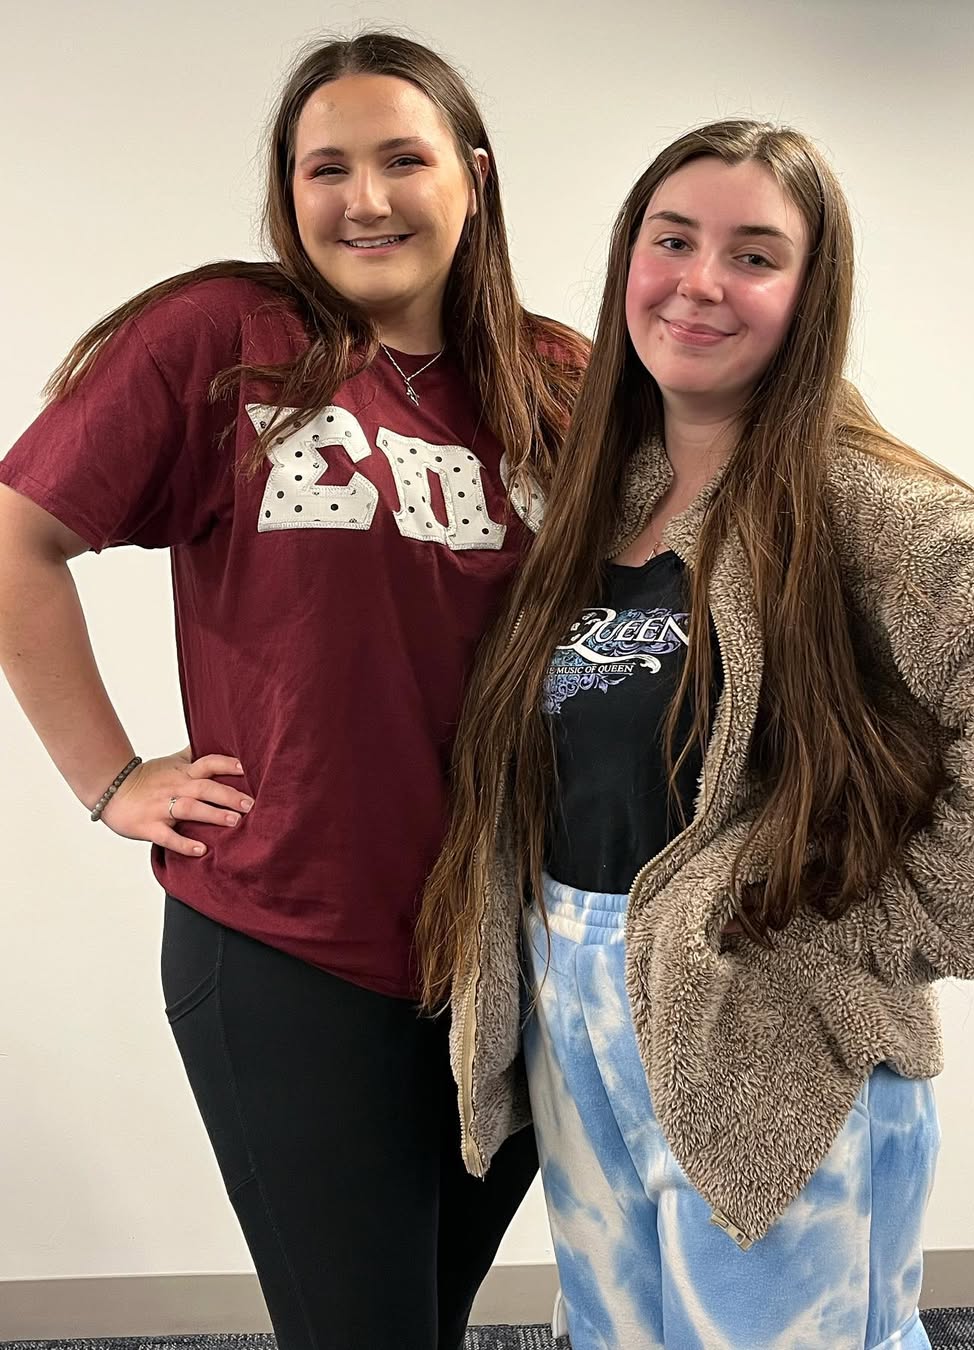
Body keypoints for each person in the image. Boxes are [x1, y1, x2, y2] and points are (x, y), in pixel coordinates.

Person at [418, 119, 974, 1349]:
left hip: (765, 1027)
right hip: (582, 1010)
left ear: (810, 292)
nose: (701, 282)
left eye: (755, 255)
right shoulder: (604, 493)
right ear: (629, 261)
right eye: (672, 241)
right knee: (615, 1334)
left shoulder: (859, 497)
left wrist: (886, 930)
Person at [0, 32, 586, 1350]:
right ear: (288, 189)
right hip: (291, 940)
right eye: (327, 168)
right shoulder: (225, 339)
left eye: (402, 160)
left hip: (512, 944)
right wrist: (112, 777)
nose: (365, 199)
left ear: (474, 177)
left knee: (421, 1315)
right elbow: (15, 539)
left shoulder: (560, 376)